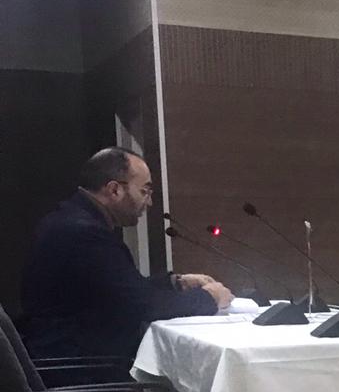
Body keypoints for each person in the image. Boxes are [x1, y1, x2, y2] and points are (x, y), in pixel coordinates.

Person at [19, 148, 233, 362]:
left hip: (67, 356)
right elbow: (142, 306)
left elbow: (119, 291)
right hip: (84, 367)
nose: (149, 203)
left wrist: (176, 283)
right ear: (114, 190)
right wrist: (208, 298)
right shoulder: (84, 233)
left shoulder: (71, 220)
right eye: (144, 191)